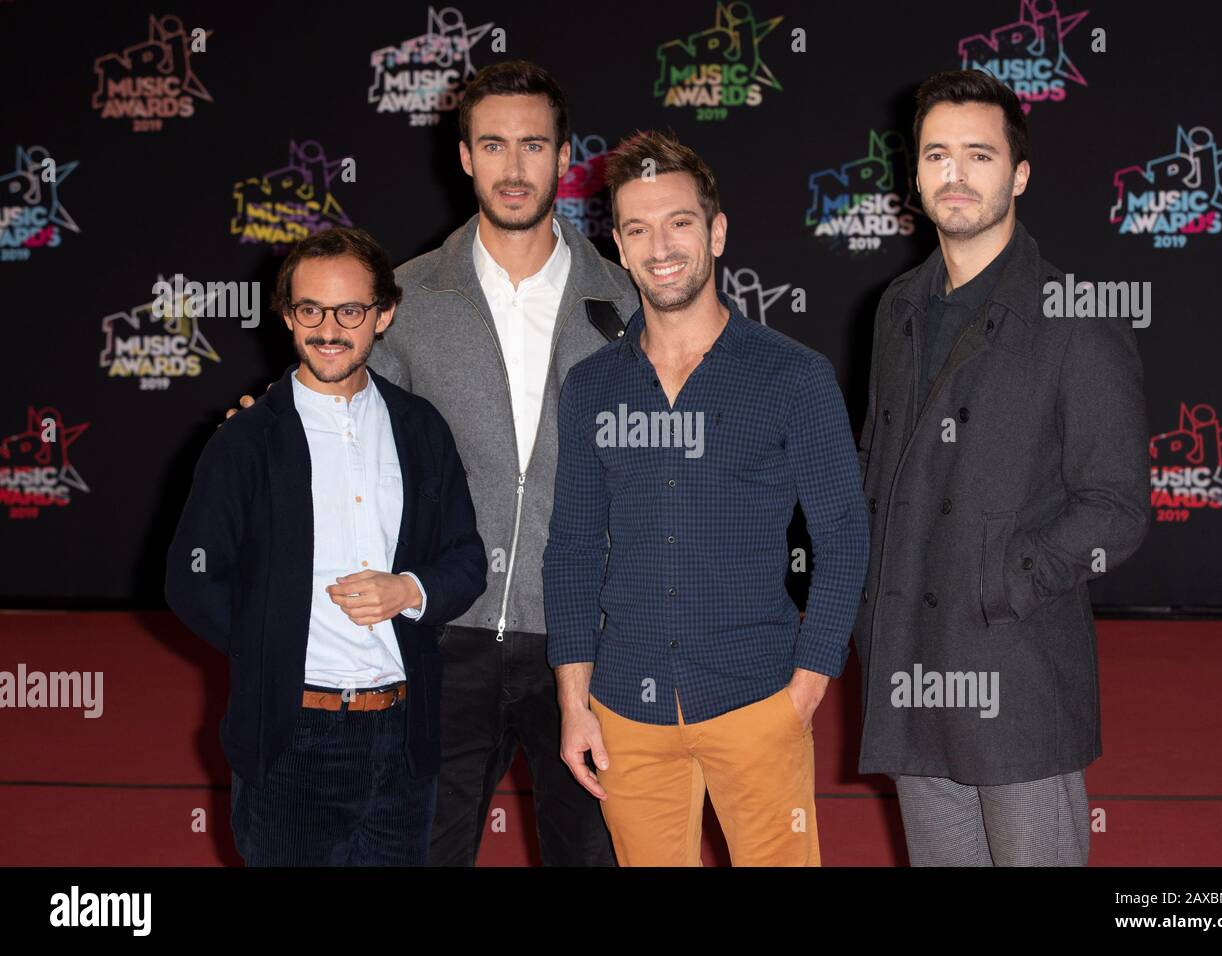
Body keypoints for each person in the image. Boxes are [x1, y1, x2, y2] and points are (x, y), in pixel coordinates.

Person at [228, 61, 637, 866]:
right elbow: (332, 404)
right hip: (439, 639)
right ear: (464, 158)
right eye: (492, 144)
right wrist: (263, 426)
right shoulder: (404, 299)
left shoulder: (626, 302)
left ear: (564, 159)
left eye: (532, 145)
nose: (513, 167)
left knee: (595, 856)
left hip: (588, 642)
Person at [543, 130, 870, 866]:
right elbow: (570, 549)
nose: (660, 245)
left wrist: (806, 691)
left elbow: (843, 535)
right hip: (625, 709)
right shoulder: (592, 387)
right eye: (637, 228)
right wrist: (574, 704)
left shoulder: (794, 376)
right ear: (620, 250)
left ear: (717, 232)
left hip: (760, 701)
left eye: (679, 222)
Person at [854, 70, 1150, 866]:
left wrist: (1003, 580)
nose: (956, 174)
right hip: (910, 666)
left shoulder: (1075, 317)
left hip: (1014, 669)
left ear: (1018, 174)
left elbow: (1116, 507)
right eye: (937, 155)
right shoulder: (897, 308)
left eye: (979, 155)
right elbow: (877, 469)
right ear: (915, 176)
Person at [166, 227, 486, 865]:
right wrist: (270, 645)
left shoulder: (421, 428)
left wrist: (411, 590)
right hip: (292, 734)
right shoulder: (247, 439)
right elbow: (192, 578)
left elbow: (467, 559)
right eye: (310, 309)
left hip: (403, 732)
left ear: (384, 314)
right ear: (287, 315)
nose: (329, 329)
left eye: (350, 311)